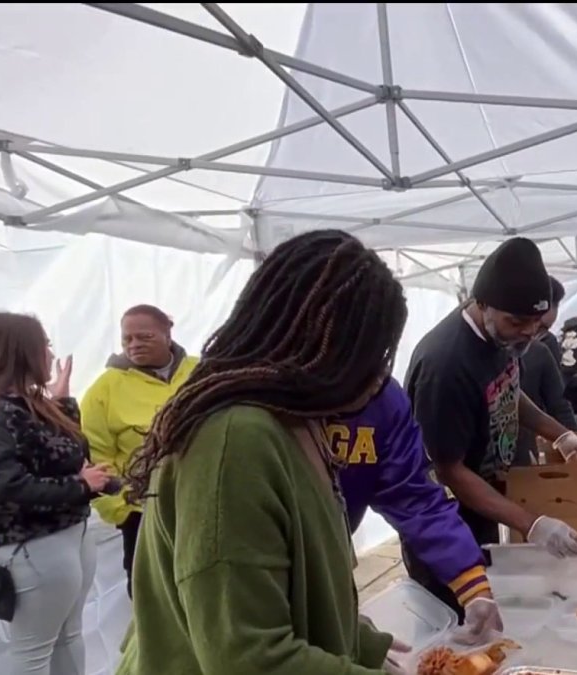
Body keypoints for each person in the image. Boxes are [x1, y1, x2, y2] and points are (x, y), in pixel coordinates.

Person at [116, 230, 408, 675]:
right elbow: (249, 658)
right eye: (369, 355)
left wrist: (365, 645)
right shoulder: (235, 441)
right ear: (320, 346)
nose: (378, 376)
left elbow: (297, 587)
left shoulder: (298, 422)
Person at [404, 237, 577, 616]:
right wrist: (534, 524)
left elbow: (507, 392)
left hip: (483, 510)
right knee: (460, 631)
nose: (528, 332)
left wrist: (561, 433)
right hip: (446, 529)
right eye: (517, 321)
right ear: (482, 305)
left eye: (536, 324)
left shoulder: (500, 338)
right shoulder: (447, 366)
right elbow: (449, 470)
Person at [0, 313, 113, 675]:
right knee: (34, 652)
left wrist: (62, 403)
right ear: (21, 351)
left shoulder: (21, 402)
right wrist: (80, 486)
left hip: (63, 537)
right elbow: (3, 484)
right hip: (33, 545)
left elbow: (64, 453)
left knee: (68, 637)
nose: (51, 354)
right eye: (45, 345)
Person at [328, 377, 505, 642]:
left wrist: (472, 583)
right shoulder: (258, 403)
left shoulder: (385, 398)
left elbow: (413, 496)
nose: (378, 377)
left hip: (330, 554)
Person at [81, 304, 198, 597]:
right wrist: (122, 509)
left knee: (203, 592)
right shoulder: (105, 388)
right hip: (142, 514)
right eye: (127, 339)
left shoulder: (201, 371)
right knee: (152, 598)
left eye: (144, 336)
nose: (134, 345)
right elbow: (95, 455)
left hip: (202, 506)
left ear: (167, 334)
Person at [515, 276, 577, 466]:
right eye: (535, 323)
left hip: (523, 456)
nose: (533, 332)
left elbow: (559, 405)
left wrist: (574, 444)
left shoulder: (541, 350)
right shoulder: (487, 351)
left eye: (543, 329)